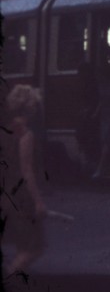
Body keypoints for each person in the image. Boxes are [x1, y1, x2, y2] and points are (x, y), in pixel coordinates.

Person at [2, 84, 48, 280]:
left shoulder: (4, 131)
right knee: (34, 248)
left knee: (21, 244)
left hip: (5, 194)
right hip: (21, 198)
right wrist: (38, 202)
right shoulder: (26, 135)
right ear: (30, 108)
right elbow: (27, 170)